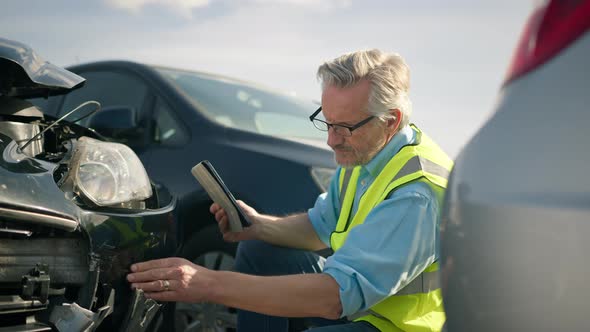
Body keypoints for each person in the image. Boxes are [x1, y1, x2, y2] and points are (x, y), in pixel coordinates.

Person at [127, 49, 453, 332]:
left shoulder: (416, 191)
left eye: (344, 128)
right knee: (259, 249)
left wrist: (206, 283)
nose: (330, 139)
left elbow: (333, 298)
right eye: (327, 122)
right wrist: (259, 225)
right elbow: (319, 227)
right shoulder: (367, 156)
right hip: (364, 309)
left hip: (398, 326)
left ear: (391, 121)